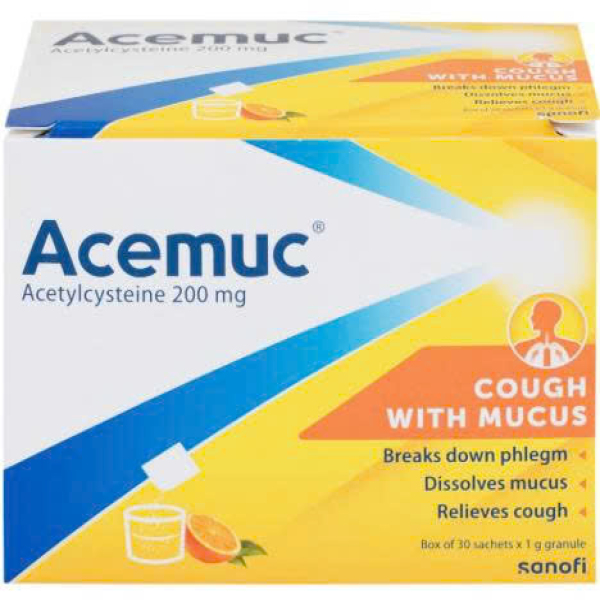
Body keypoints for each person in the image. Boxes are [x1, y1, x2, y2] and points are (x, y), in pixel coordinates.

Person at [515, 299, 580, 368]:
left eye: (536, 314)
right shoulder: (521, 348)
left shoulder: (573, 348)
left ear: (550, 318)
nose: (531, 317)